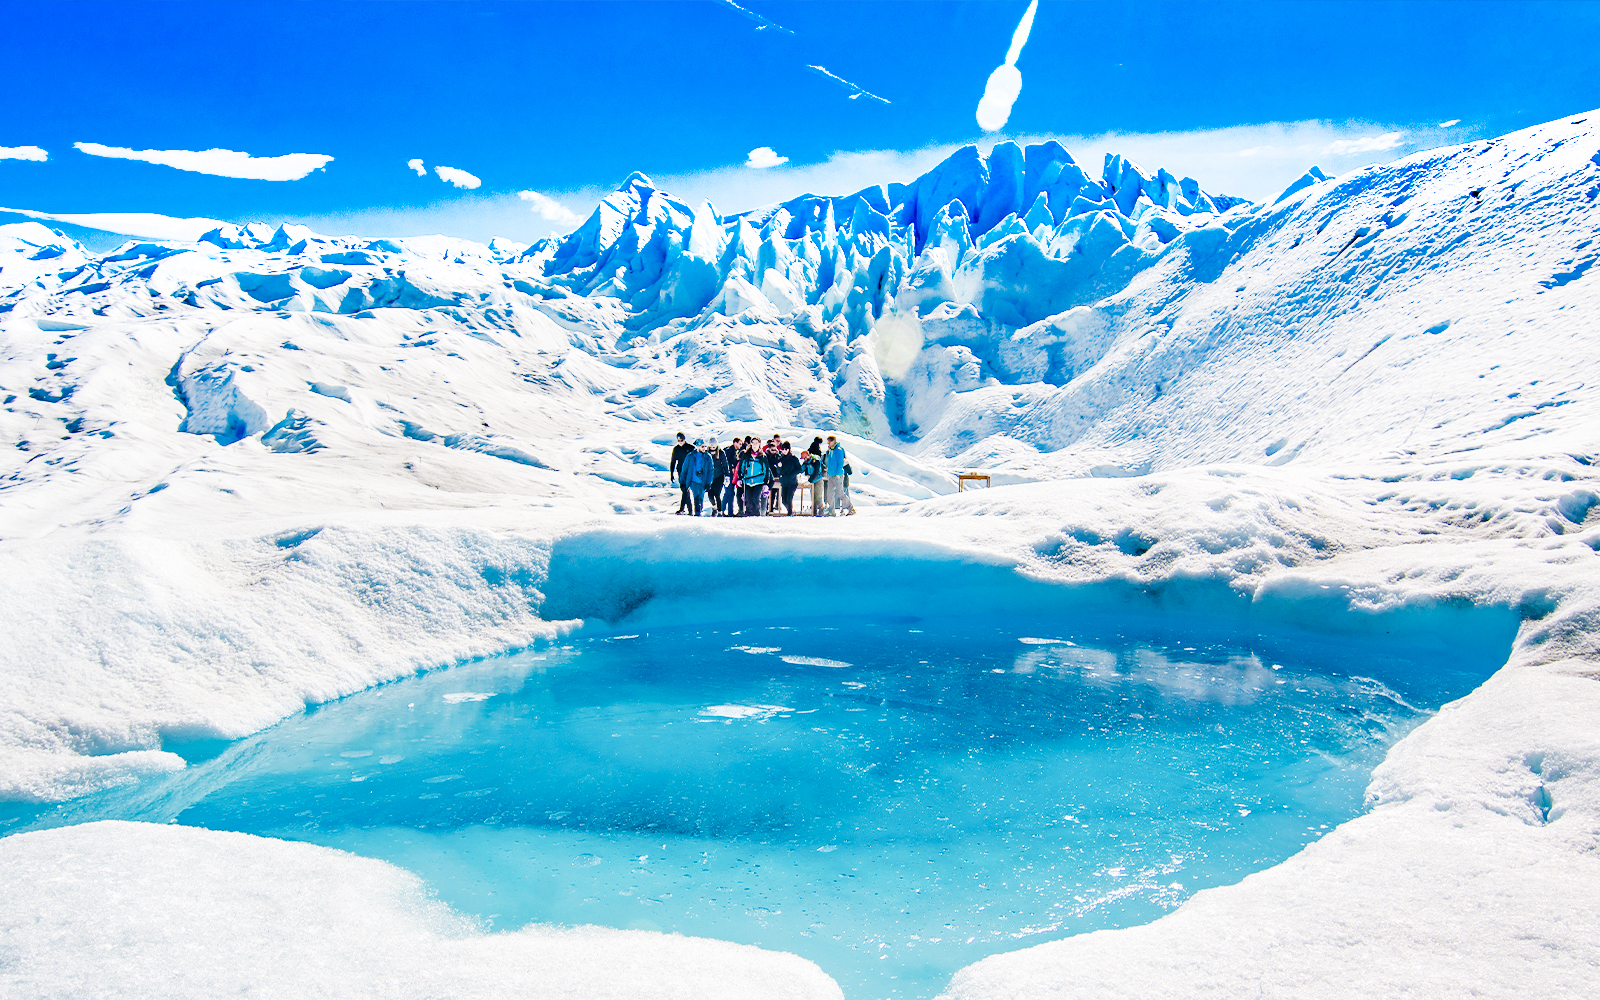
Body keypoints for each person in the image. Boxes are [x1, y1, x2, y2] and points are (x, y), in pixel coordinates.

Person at [681, 440, 714, 515]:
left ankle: (699, 513)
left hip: (703, 481)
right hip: (693, 481)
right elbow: (684, 469)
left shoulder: (708, 457)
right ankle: (697, 514)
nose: (704, 448)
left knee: (701, 498)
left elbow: (710, 471)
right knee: (696, 497)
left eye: (705, 447)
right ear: (698, 447)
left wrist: (709, 483)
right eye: (702, 447)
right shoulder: (690, 456)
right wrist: (682, 482)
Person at [739, 443, 769, 516]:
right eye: (753, 443)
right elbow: (741, 467)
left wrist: (766, 483)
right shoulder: (746, 456)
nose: (754, 445)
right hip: (747, 481)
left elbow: (766, 470)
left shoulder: (763, 457)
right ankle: (748, 515)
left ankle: (756, 515)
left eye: (756, 443)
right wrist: (740, 478)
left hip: (759, 481)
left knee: (756, 499)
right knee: (748, 499)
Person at [669, 432, 693, 514]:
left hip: (689, 471)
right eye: (678, 440)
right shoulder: (676, 449)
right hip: (680, 471)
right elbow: (673, 462)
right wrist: (671, 474)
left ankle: (682, 509)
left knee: (685, 490)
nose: (680, 442)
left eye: (681, 440)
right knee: (684, 490)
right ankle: (690, 510)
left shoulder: (690, 448)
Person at [777, 442, 802, 515]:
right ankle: (791, 511)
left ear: (789, 449)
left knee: (789, 498)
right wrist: (779, 467)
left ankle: (790, 513)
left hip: (792, 482)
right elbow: (778, 471)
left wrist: (792, 474)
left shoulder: (794, 459)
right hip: (784, 482)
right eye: (783, 449)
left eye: (786, 449)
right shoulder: (781, 459)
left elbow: (799, 469)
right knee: (784, 500)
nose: (784, 451)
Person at [824, 435, 846, 516]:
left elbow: (841, 463)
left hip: (837, 475)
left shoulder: (838, 450)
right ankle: (831, 511)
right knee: (830, 494)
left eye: (830, 442)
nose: (828, 444)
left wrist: (838, 473)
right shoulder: (831, 451)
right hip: (831, 475)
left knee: (840, 493)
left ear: (834, 441)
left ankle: (850, 508)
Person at [800, 448, 825, 516]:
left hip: (818, 480)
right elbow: (801, 469)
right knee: (813, 497)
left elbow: (816, 472)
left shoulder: (816, 461)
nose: (804, 459)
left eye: (805, 458)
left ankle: (821, 512)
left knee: (818, 496)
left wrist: (810, 480)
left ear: (808, 455)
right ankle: (814, 513)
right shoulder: (806, 462)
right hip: (811, 480)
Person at [708, 438, 728, 516]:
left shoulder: (721, 453)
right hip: (710, 477)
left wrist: (727, 475)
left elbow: (725, 465)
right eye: (711, 447)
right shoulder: (707, 454)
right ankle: (714, 507)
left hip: (719, 476)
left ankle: (720, 511)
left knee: (717, 494)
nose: (712, 449)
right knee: (710, 495)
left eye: (714, 447)